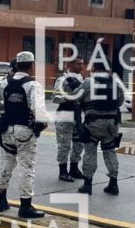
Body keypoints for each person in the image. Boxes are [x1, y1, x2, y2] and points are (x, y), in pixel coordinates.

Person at [0, 51, 48, 219]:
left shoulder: (4, 83)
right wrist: (40, 127)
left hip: (6, 130)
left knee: (5, 165)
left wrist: (6, 108)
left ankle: (0, 201)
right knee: (26, 168)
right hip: (25, 132)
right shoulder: (33, 85)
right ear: (31, 65)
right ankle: (25, 206)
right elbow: (41, 114)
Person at [77, 60, 124, 195]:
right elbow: (120, 102)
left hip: (93, 124)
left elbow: (75, 96)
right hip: (112, 124)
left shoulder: (88, 82)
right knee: (110, 151)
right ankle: (113, 184)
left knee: (90, 152)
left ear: (95, 69)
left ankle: (87, 185)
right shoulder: (116, 84)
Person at [53, 57, 86, 182]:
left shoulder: (82, 79)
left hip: (78, 116)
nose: (81, 66)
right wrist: (69, 98)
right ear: (70, 64)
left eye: (82, 64)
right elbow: (55, 97)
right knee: (64, 145)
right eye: (79, 64)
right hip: (65, 115)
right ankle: (63, 171)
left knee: (78, 144)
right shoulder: (63, 80)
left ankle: (74, 168)